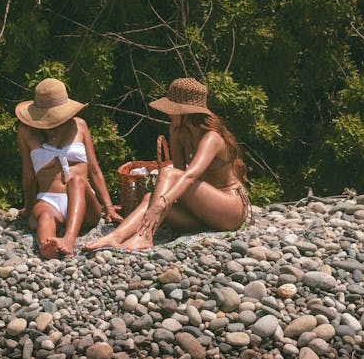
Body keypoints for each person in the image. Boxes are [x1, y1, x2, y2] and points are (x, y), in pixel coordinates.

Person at [83, 77, 250, 252]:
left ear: (185, 112)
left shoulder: (211, 137)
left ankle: (144, 236)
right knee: (150, 198)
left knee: (165, 181)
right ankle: (115, 237)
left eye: (172, 109)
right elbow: (178, 173)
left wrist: (161, 205)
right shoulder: (178, 131)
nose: (168, 113)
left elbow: (187, 175)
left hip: (229, 210)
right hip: (203, 210)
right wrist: (159, 203)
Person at [15, 78, 122, 258]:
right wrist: (29, 207)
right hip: (48, 198)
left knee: (77, 180)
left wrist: (109, 207)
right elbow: (28, 176)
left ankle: (69, 239)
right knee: (45, 218)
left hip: (83, 201)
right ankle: (48, 247)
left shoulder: (79, 126)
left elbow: (94, 170)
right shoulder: (26, 133)